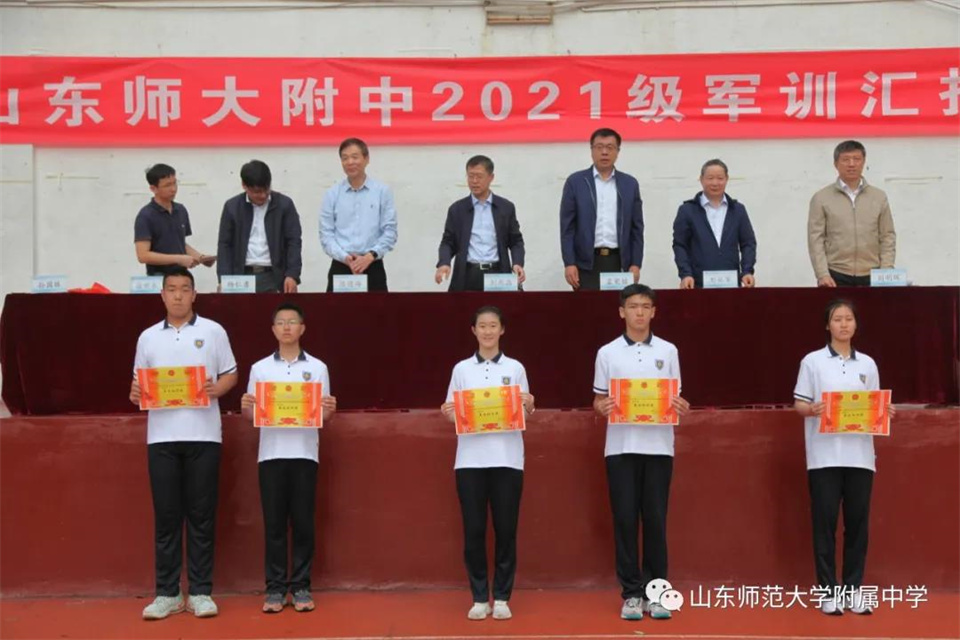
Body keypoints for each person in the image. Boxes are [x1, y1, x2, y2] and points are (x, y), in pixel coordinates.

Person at [129, 267, 238, 620]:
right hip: (161, 437)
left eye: (184, 289)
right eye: (171, 289)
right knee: (167, 517)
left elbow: (231, 373)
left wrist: (218, 388)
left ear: (194, 294)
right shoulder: (147, 337)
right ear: (162, 295)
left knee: (202, 516)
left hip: (204, 435)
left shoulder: (213, 331)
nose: (178, 295)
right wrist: (136, 393)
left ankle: (201, 592)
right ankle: (168, 593)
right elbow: (138, 384)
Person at [592, 284, 690, 621]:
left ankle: (657, 593)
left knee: (655, 521)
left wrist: (681, 405)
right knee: (624, 520)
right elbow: (598, 399)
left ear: (653, 312)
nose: (639, 312)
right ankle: (632, 594)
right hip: (620, 447)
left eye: (645, 306)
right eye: (633, 306)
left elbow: (675, 396)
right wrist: (602, 406)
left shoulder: (668, 350)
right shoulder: (607, 353)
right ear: (622, 311)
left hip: (659, 448)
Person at [793, 299, 895, 615]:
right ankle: (828, 592)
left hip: (860, 457)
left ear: (855, 324)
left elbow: (873, 405)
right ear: (828, 325)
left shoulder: (868, 364)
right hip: (823, 457)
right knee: (824, 525)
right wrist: (812, 409)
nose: (843, 324)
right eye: (837, 319)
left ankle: (853, 589)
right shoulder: (812, 362)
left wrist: (884, 412)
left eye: (848, 319)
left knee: (857, 526)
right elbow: (799, 404)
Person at [240, 302, 337, 614]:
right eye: (280, 322)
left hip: (305, 454)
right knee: (274, 524)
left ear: (302, 328)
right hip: (271, 454)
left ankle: (302, 586)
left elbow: (323, 414)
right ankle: (275, 588)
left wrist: (329, 411)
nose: (286, 327)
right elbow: (251, 414)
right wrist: (246, 408)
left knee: (304, 522)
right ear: (273, 330)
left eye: (292, 321)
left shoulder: (318, 368)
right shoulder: (260, 369)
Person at [440, 306, 535, 620]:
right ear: (474, 330)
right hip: (470, 461)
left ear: (502, 330)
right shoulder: (461, 369)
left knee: (506, 530)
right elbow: (452, 410)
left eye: (493, 326)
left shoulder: (516, 368)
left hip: (508, 460)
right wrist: (449, 412)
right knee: (474, 530)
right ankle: (480, 597)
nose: (488, 331)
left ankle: (503, 597)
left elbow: (525, 409)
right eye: (482, 326)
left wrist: (529, 404)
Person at [559, 128, 644, 291]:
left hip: (620, 262)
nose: (604, 152)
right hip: (586, 263)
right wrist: (569, 262)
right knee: (588, 306)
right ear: (591, 150)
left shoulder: (629, 184)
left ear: (618, 151)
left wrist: (636, 263)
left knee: (618, 306)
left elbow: (637, 229)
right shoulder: (576, 182)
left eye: (610, 147)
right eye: (599, 147)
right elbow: (567, 228)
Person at [808, 140, 896, 287]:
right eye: (845, 159)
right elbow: (816, 239)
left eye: (856, 159)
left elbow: (887, 236)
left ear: (863, 162)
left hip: (873, 274)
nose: (851, 164)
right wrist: (822, 274)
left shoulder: (879, 197)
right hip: (836, 274)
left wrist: (886, 270)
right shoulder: (821, 198)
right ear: (835, 164)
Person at [435, 155, 526, 291]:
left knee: (502, 305)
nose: (474, 181)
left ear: (491, 177)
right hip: (468, 273)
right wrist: (444, 263)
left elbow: (516, 241)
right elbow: (448, 242)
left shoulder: (505, 208)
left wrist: (517, 263)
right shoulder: (457, 209)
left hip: (497, 273)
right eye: (470, 176)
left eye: (479, 176)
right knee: (464, 305)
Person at [320, 138, 398, 292]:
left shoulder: (382, 192)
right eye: (345, 158)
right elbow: (326, 234)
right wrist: (345, 258)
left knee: (377, 308)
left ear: (366, 159)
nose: (350, 162)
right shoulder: (332, 194)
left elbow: (390, 231)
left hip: (372, 264)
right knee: (336, 308)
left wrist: (370, 256)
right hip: (342, 265)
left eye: (355, 157)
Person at [216, 160, 303, 293]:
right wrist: (224, 279)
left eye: (266, 190)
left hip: (274, 276)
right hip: (241, 275)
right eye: (257, 192)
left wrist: (292, 274)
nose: (263, 195)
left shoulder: (284, 205)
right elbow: (225, 245)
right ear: (244, 186)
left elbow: (294, 241)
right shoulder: (232, 207)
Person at [672, 159, 757, 288]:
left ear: (727, 179)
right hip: (698, 283)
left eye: (720, 178)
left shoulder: (738, 210)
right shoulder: (687, 210)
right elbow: (680, 245)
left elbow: (748, 244)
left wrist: (747, 271)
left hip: (731, 283)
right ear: (701, 179)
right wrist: (685, 274)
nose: (715, 183)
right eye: (710, 178)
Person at [135, 163, 216, 275]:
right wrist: (179, 259)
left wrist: (200, 257)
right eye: (167, 185)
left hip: (181, 275)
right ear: (153, 188)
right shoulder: (146, 215)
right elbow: (143, 256)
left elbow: (179, 243)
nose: (173, 189)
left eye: (174, 183)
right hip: (159, 276)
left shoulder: (180, 210)